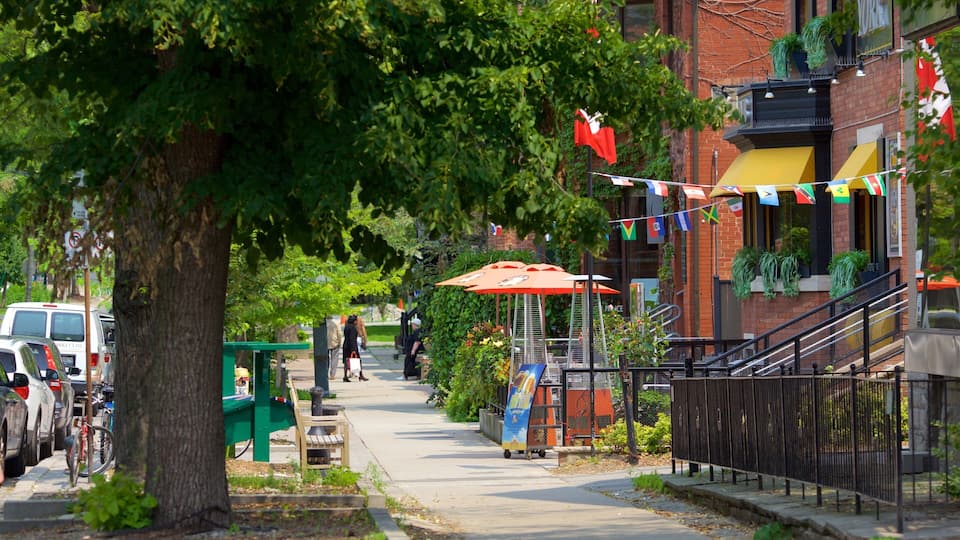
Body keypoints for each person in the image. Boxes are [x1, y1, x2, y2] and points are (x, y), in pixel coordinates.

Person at [342, 315, 368, 382]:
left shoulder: (346, 327)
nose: (357, 322)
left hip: (346, 345)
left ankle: (345, 376)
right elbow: (352, 339)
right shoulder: (353, 328)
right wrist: (353, 349)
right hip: (352, 347)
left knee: (346, 361)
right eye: (356, 320)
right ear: (354, 321)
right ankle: (361, 375)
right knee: (358, 361)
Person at [326, 315, 344, 379]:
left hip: (325, 343)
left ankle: (325, 374)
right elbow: (339, 333)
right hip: (334, 342)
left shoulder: (323, 323)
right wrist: (340, 342)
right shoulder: (336, 323)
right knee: (334, 359)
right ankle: (332, 375)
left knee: (326, 359)